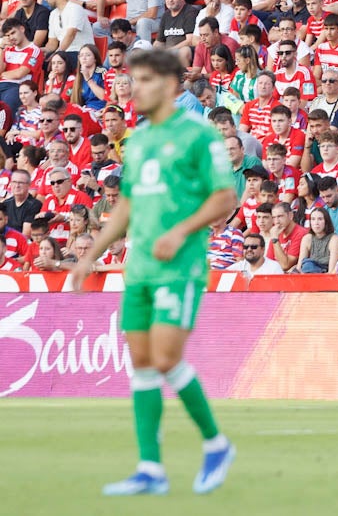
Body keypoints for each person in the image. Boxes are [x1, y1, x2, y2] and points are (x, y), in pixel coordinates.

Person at [69, 47, 238, 497]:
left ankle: (217, 444)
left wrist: (181, 231)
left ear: (167, 85)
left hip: (179, 267)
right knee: (141, 365)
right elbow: (126, 204)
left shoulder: (198, 135)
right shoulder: (139, 139)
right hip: (138, 267)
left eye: (141, 80)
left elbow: (225, 199)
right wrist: (91, 256)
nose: (131, 89)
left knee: (165, 359)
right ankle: (150, 468)